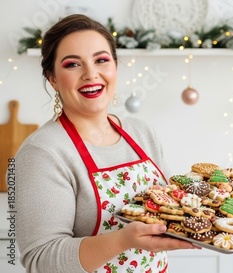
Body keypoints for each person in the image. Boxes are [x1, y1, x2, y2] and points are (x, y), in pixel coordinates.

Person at [15, 14, 199, 273]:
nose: (91, 74)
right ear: (52, 78)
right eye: (72, 64)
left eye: (101, 60)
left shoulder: (141, 132)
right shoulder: (43, 153)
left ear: (115, 66)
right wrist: (123, 240)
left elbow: (172, 208)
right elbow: (41, 260)